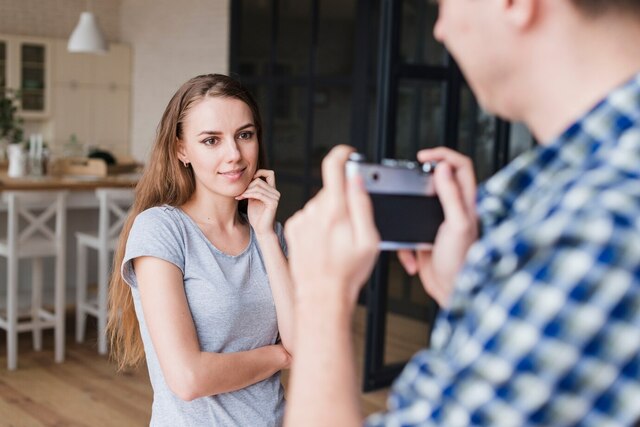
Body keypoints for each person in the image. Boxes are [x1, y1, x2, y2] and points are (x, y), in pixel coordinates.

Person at [284, 1, 640, 425]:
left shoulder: (598, 226)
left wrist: (323, 294)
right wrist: (470, 290)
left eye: (444, 5)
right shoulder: (561, 181)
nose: (439, 30)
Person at [106, 74, 293, 426]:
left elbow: (304, 344)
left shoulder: (273, 236)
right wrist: (280, 356)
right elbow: (188, 379)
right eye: (211, 140)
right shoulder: (162, 230)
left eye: (245, 135)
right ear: (181, 150)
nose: (234, 155)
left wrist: (265, 235)